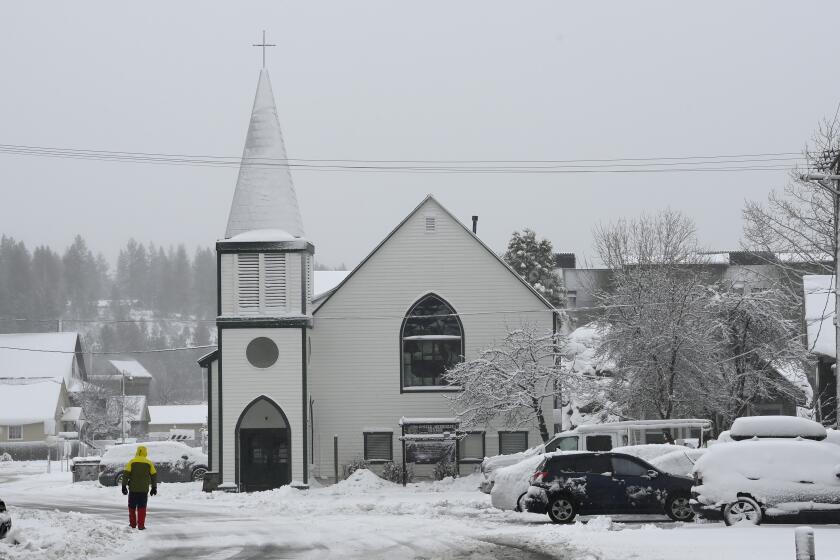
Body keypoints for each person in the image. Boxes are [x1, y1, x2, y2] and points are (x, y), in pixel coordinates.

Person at [121, 445, 158, 530]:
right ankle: (141, 526)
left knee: (132, 507)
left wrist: (124, 486)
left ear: (137, 452)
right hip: (143, 490)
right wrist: (154, 487)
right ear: (145, 452)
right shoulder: (149, 463)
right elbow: (154, 475)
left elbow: (126, 475)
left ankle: (133, 524)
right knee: (142, 507)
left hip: (133, 489)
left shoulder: (132, 462)